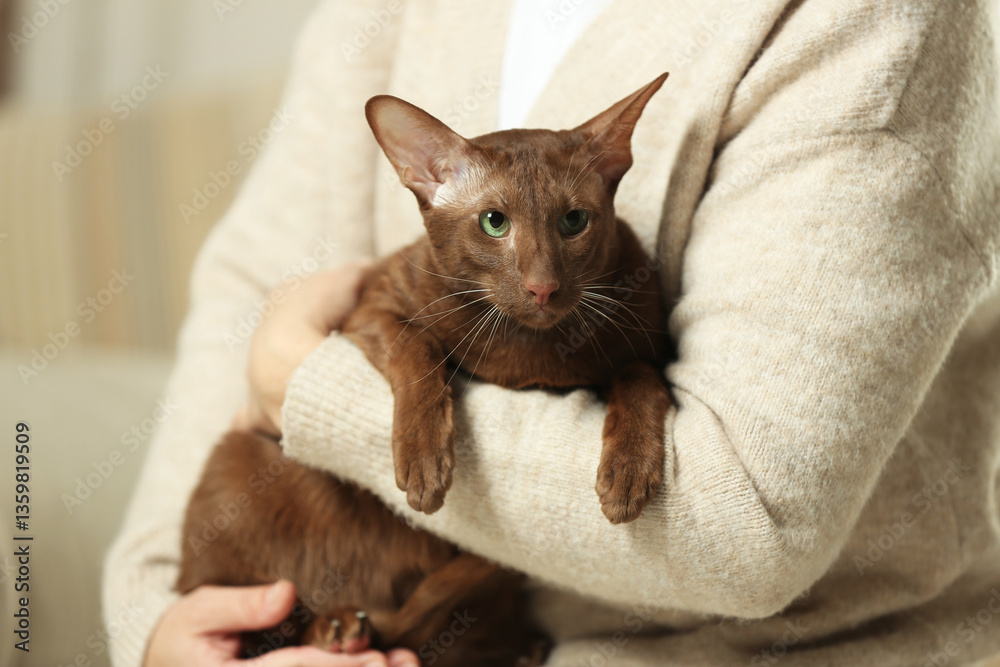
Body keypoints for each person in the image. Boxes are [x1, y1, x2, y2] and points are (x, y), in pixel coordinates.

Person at [105, 0, 1000, 665]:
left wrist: (313, 387)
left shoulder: (878, 22)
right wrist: (163, 620)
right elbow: (249, 290)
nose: (539, 276)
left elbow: (750, 522)